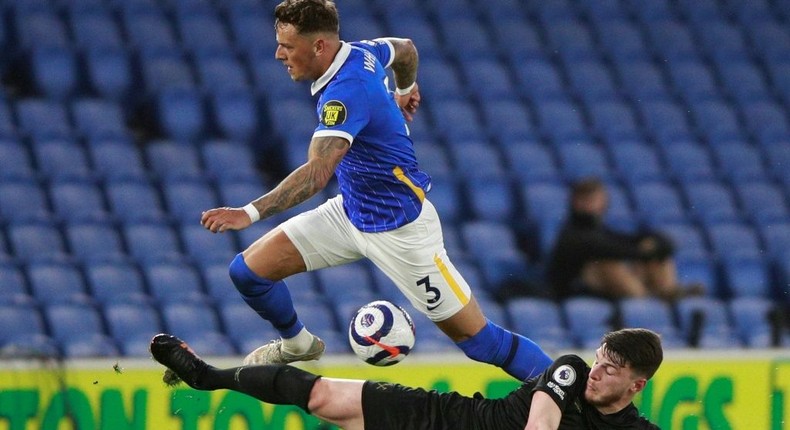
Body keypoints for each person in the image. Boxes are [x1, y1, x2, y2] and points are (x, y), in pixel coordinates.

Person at [197, 0, 551, 381]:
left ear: (318, 46)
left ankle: (572, 398)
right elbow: (406, 49)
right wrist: (407, 88)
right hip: (350, 212)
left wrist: (248, 213)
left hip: (400, 232)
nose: (278, 53)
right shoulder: (362, 51)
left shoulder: (346, 93)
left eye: (287, 45)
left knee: (480, 343)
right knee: (248, 273)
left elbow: (317, 175)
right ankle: (297, 344)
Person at [150, 328, 662, 429]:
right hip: (443, 419)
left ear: (636, 386)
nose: (597, 373)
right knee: (322, 394)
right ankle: (205, 377)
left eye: (611, 370)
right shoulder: (570, 370)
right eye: (600, 359)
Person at [546, 177, 694, 300]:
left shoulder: (599, 229)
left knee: (658, 258)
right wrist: (647, 249)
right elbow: (609, 249)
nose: (593, 205)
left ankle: (668, 293)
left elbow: (627, 241)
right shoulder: (572, 233)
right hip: (575, 293)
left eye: (596, 199)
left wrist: (654, 245)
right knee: (609, 265)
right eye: (587, 200)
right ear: (575, 202)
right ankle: (644, 299)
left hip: (605, 293)